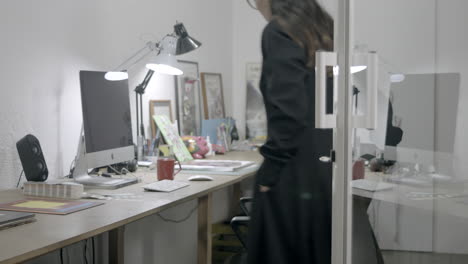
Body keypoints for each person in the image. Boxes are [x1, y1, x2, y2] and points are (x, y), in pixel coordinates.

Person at [246, 0, 334, 263]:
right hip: (320, 166)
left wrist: (269, 171)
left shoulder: (279, 31)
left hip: (291, 170)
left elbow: (289, 111)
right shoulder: (319, 29)